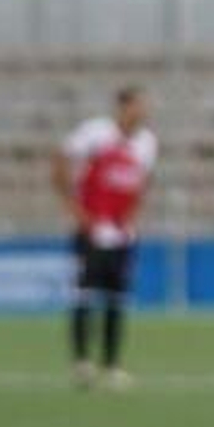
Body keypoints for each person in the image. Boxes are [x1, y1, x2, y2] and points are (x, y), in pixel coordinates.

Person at [51, 86, 156, 391]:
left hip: (122, 234)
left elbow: (143, 183)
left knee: (117, 298)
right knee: (83, 294)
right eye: (139, 105)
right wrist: (76, 211)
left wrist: (132, 217)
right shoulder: (95, 134)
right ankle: (81, 362)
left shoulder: (147, 143)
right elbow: (60, 160)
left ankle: (111, 365)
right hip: (91, 229)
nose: (144, 111)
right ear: (123, 107)